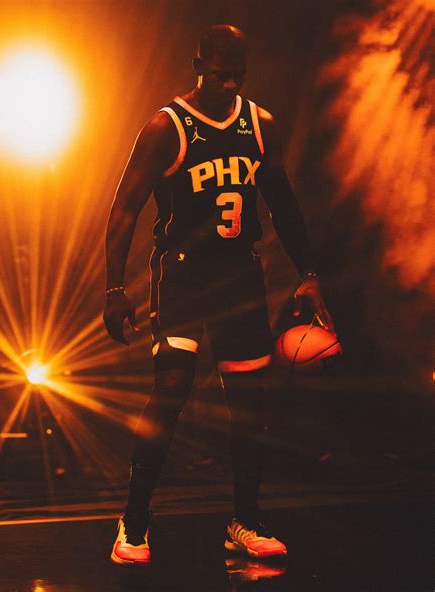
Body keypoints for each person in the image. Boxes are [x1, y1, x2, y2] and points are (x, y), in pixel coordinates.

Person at [104, 24, 334, 566]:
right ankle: (133, 523)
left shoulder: (261, 125)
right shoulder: (166, 127)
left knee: (249, 407)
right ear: (197, 64)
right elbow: (123, 210)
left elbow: (282, 201)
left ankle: (244, 521)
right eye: (219, 70)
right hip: (183, 275)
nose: (229, 81)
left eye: (238, 72)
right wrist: (114, 288)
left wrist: (309, 271)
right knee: (171, 391)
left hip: (239, 276)